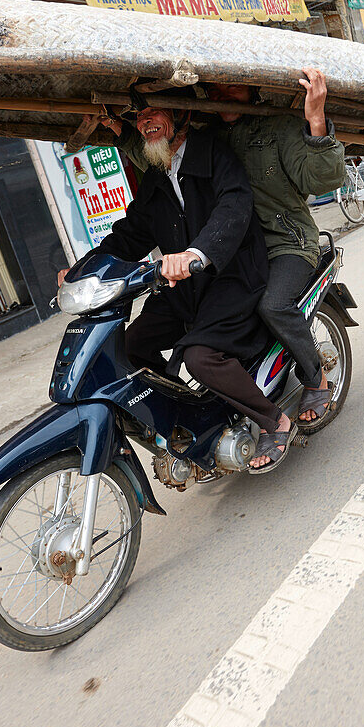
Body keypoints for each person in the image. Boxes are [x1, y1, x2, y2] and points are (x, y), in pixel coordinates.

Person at [59, 105, 298, 470]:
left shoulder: (213, 152)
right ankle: (194, 418)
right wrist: (81, 270)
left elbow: (234, 206)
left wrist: (195, 253)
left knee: (200, 357)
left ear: (181, 113)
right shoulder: (157, 172)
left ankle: (272, 420)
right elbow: (131, 233)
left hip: (231, 276)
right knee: (129, 346)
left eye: (153, 112)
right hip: (182, 287)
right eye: (137, 116)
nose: (144, 122)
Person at [206, 69, 346, 438]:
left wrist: (315, 118)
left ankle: (316, 380)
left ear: (251, 87)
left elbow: (322, 180)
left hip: (288, 243)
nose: (224, 94)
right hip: (235, 254)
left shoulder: (279, 128)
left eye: (232, 84)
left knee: (273, 306)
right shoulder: (207, 138)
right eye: (216, 88)